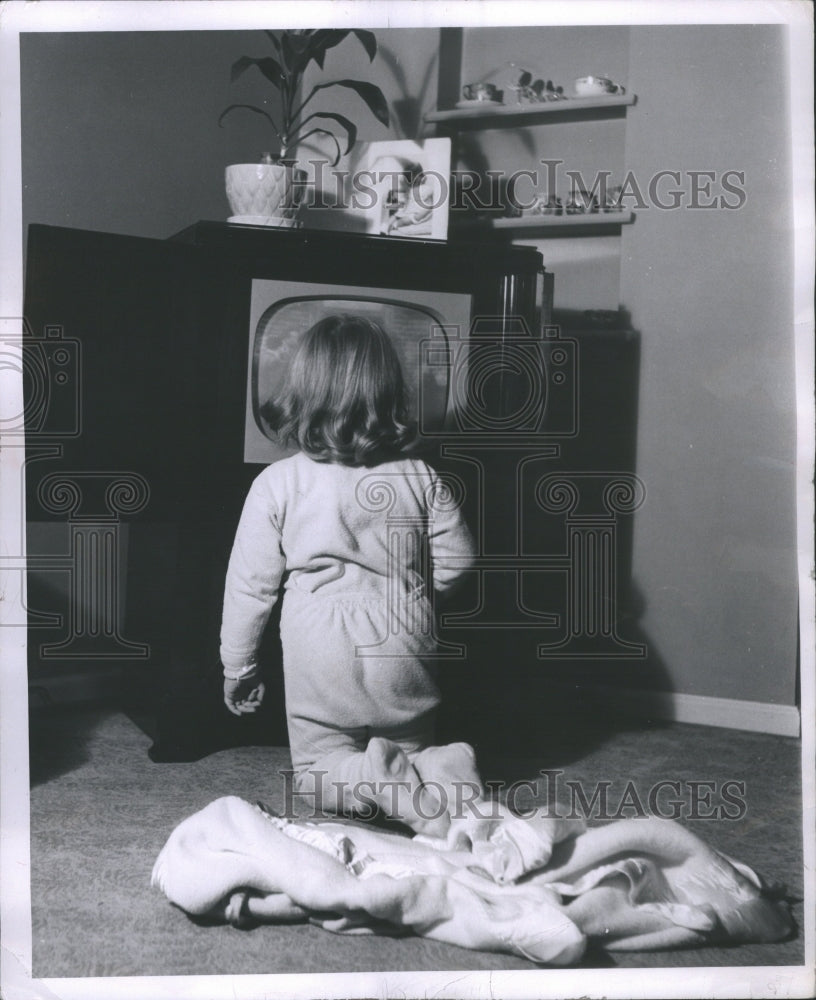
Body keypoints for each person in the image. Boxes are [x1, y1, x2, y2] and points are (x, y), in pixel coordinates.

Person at [219, 314, 481, 838]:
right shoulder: (420, 475)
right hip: (404, 636)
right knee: (412, 746)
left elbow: (251, 587)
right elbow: (459, 561)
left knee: (317, 773)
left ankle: (373, 778)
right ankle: (441, 768)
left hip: (321, 645)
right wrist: (418, 597)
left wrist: (238, 665)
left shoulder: (278, 482)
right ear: (389, 392)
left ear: (300, 392)